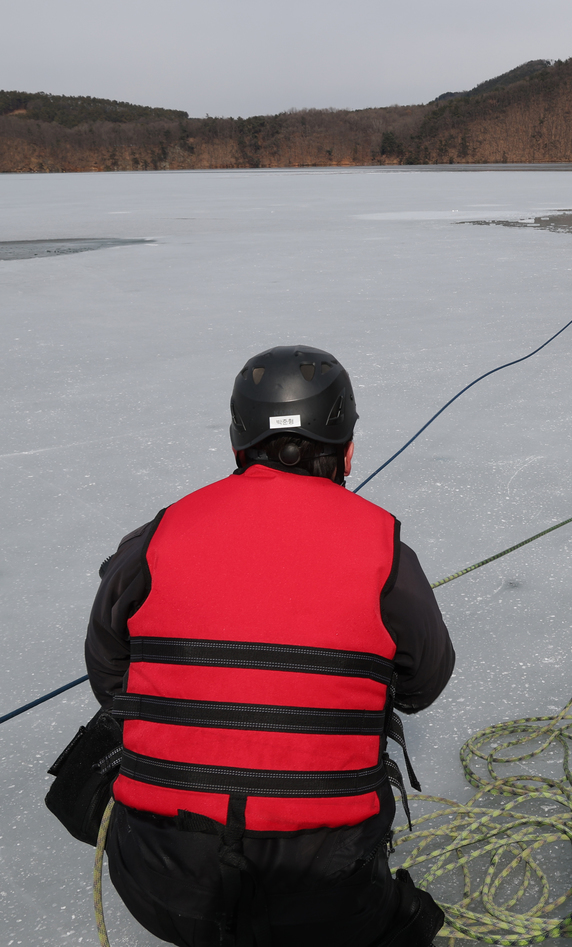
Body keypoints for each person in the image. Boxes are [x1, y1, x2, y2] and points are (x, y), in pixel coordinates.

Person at [84, 345, 454, 947]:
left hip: (158, 882)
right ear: (347, 449)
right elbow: (424, 683)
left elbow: (108, 675)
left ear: (237, 443)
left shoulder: (159, 533)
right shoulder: (384, 549)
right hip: (324, 892)